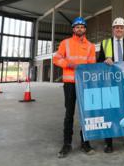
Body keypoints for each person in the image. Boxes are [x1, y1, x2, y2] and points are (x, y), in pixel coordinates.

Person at [53, 17, 96, 158]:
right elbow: (56, 58)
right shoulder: (65, 43)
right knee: (69, 114)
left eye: (82, 27)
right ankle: (67, 144)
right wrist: (68, 64)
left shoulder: (90, 46)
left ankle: (85, 142)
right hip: (70, 84)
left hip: (84, 84)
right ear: (73, 29)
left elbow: (92, 65)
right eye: (77, 27)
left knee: (86, 115)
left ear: (85, 29)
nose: (80, 29)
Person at [97, 17, 124, 153]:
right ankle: (109, 142)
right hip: (110, 82)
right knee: (110, 110)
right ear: (113, 29)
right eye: (116, 27)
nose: (119, 29)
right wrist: (104, 60)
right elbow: (98, 62)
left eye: (121, 27)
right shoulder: (105, 43)